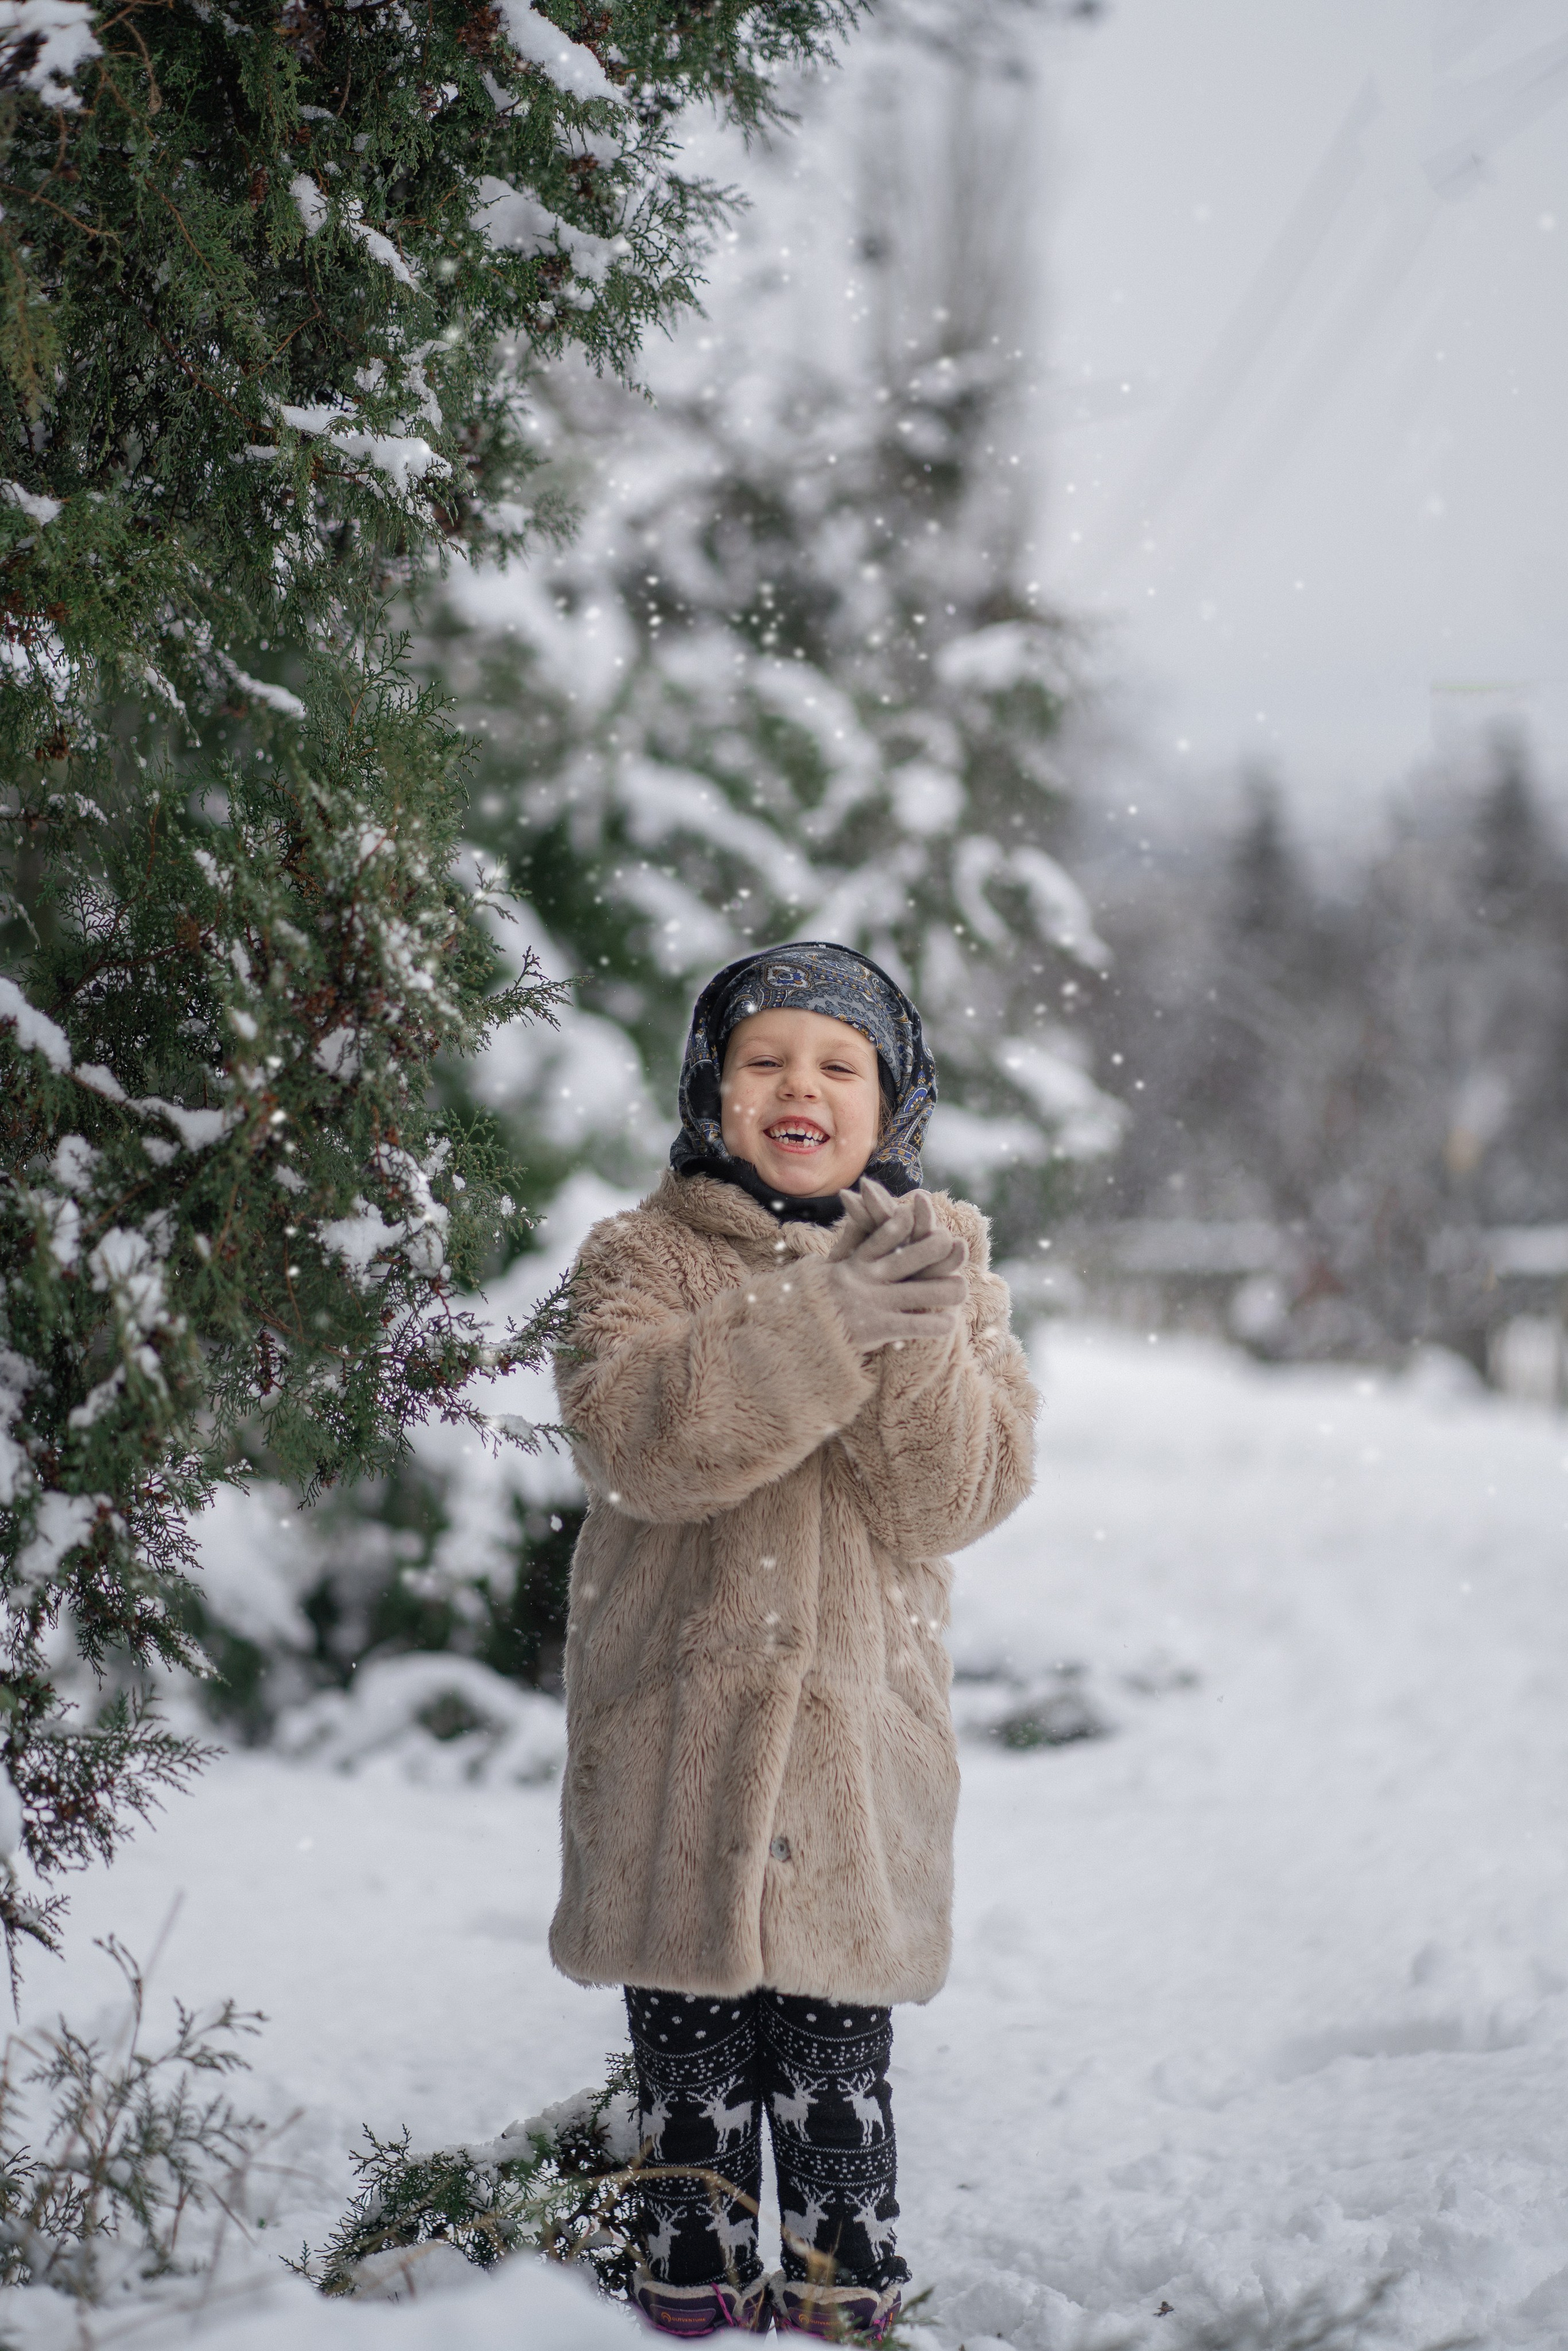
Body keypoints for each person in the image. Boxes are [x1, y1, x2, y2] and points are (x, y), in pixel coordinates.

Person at [549, 942, 1036, 2341]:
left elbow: (950, 1495)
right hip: (675, 1741)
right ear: (713, 1087)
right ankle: (678, 2301)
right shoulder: (639, 1257)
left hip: (850, 1751)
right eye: (764, 1059)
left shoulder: (949, 1263)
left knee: (835, 2062)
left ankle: (841, 2296)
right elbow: (641, 1448)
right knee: (685, 2069)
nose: (799, 1087)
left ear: (893, 1105)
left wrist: (916, 1331)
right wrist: (819, 1317)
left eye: (840, 1064)